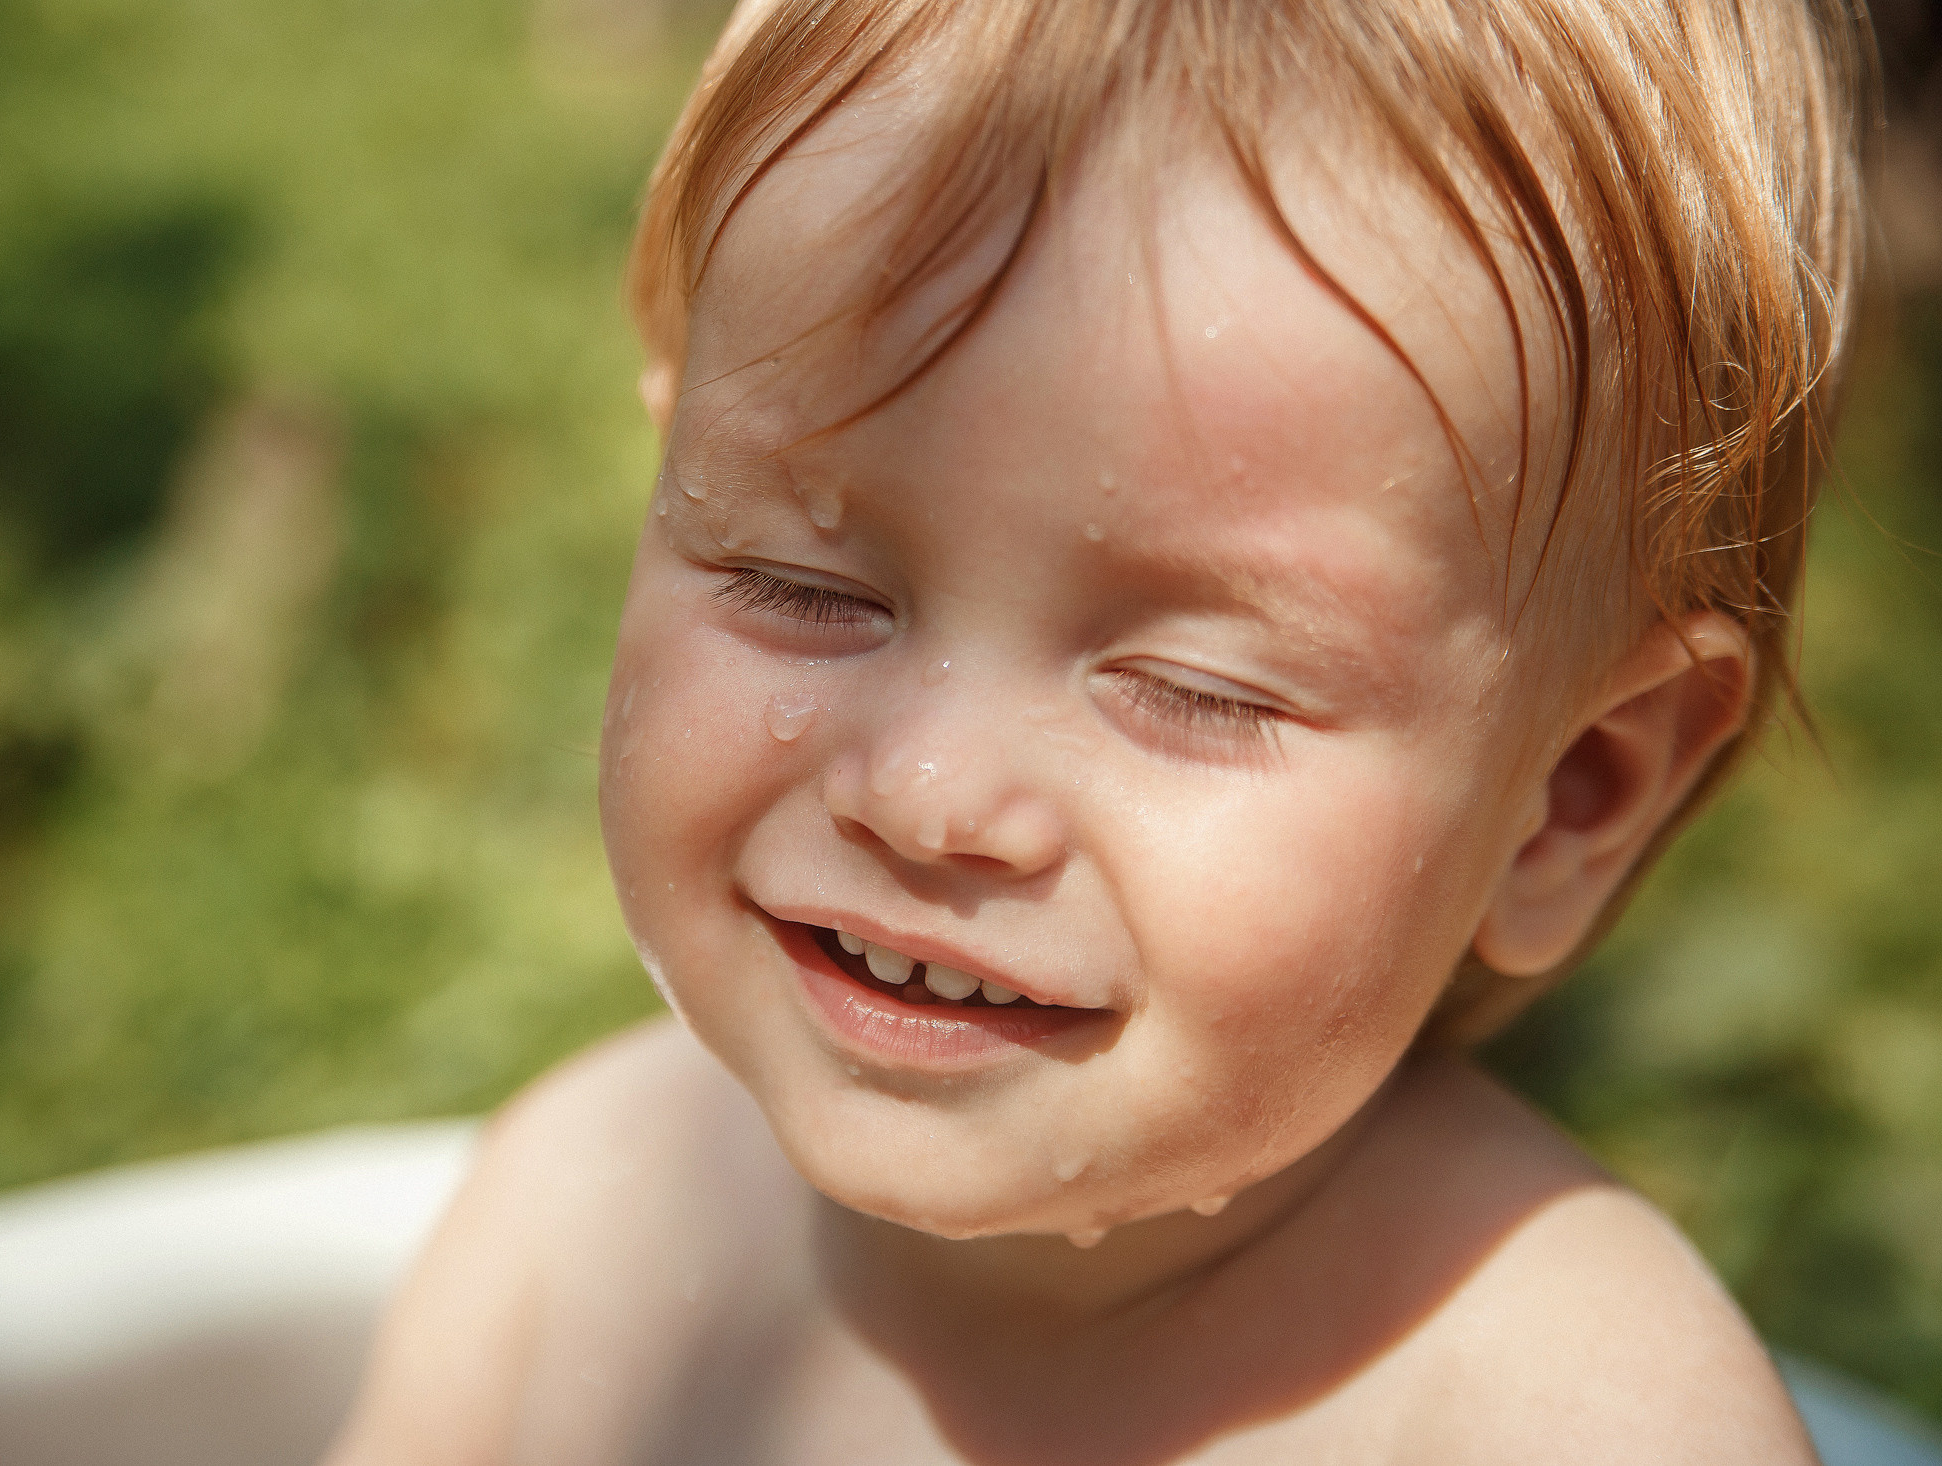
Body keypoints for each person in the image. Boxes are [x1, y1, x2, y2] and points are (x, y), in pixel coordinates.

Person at [328, 1, 1871, 1459]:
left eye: (1198, 688)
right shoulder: (580, 1218)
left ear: (1571, 798)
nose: (928, 790)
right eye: (794, 583)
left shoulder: (1563, 1417)